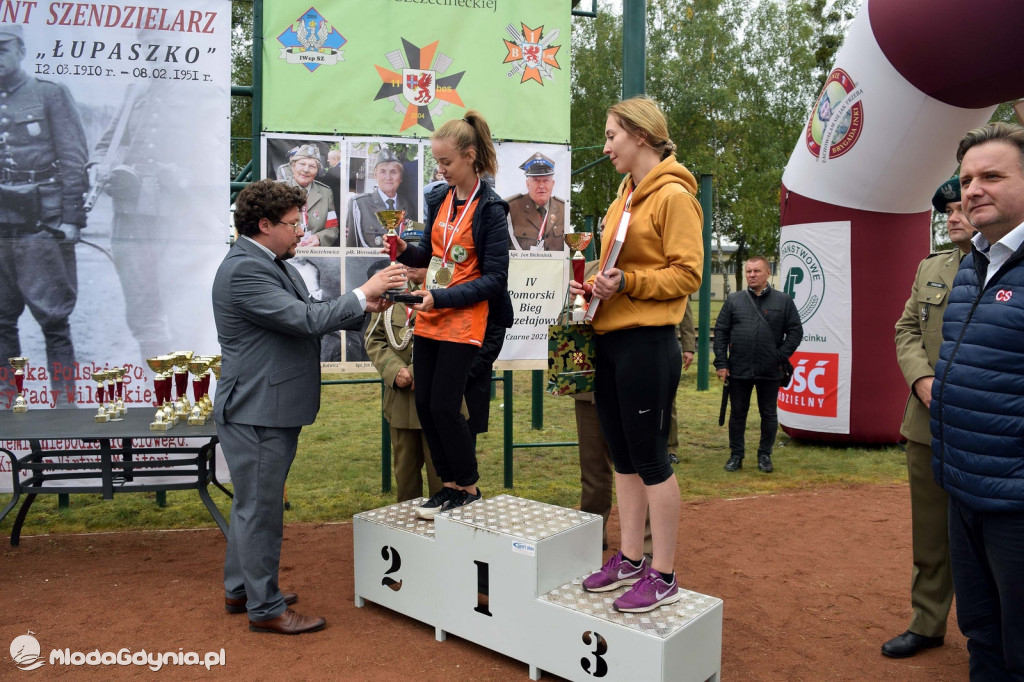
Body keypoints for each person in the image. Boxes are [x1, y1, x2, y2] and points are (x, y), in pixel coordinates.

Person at [213, 178, 404, 635]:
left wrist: (366, 306)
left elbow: (312, 311)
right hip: (257, 408)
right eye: (293, 224)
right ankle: (265, 607)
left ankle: (242, 588)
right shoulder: (246, 270)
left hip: (265, 405)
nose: (302, 231)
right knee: (261, 511)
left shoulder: (267, 262)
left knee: (252, 505)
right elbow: (304, 320)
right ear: (263, 225)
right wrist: (363, 290)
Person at [568, 96, 703, 613]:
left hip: (649, 342)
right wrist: (598, 288)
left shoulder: (674, 196)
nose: (606, 147)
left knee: (650, 458)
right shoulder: (624, 194)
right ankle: (628, 559)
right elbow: (619, 266)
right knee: (621, 457)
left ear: (641, 137)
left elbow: (688, 273)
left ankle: (663, 572)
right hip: (612, 338)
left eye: (611, 136)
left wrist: (628, 281)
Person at [931, 122, 1024, 678]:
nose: (973, 190)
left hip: (1016, 502)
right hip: (962, 487)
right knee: (982, 635)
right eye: (967, 179)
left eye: (992, 176)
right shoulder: (972, 265)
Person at [394, 110, 512, 520]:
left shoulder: (491, 209)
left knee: (445, 405)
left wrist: (442, 299)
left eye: (446, 162)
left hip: (464, 317)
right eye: (436, 162)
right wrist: (401, 248)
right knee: (425, 405)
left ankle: (469, 486)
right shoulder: (439, 199)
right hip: (431, 312)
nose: (440, 169)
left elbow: (495, 278)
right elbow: (429, 254)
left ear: (470, 157)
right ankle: (448, 486)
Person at [883, 177, 974, 659]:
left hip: (988, 425)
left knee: (994, 536)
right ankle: (927, 621)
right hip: (927, 420)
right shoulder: (932, 267)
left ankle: (994, 634)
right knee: (930, 531)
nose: (954, 216)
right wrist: (920, 381)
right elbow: (906, 328)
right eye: (948, 211)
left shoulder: (1007, 267)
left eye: (962, 207)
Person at [0, 25, 87, 406]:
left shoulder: (49, 94)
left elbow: (73, 160)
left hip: (44, 224)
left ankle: (65, 399)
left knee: (54, 319)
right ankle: (7, 400)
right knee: (1, 321)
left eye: (3, 48)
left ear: (20, 49)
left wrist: (71, 219)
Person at [713, 257, 802, 474]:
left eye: (757, 271)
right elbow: (721, 332)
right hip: (739, 368)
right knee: (738, 414)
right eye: (749, 271)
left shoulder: (784, 301)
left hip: (770, 370)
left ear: (767, 273)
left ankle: (765, 456)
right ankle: (736, 456)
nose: (752, 275)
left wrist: (780, 356)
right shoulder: (733, 300)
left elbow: (795, 331)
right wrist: (721, 363)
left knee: (769, 413)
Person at [363, 267, 443, 502]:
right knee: (405, 478)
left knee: (444, 475)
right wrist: (393, 369)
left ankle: (448, 531)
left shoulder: (445, 291)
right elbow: (373, 339)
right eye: (406, 260)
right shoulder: (390, 294)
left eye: (417, 259)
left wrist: (419, 371)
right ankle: (408, 533)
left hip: (437, 399)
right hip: (401, 401)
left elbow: (453, 338)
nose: (410, 267)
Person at [347, 148, 412, 248]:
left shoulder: (408, 206)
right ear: (375, 175)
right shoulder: (359, 204)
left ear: (401, 178)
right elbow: (351, 247)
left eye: (393, 172)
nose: (388, 177)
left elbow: (413, 244)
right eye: (383, 172)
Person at [506, 152, 567, 252]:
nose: (541, 186)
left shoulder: (564, 209)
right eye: (536, 180)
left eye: (546, 180)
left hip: (555, 267)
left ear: (553, 184)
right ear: (528, 184)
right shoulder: (511, 208)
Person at [283, 144, 337, 247]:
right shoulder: (278, 190)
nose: (306, 170)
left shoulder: (326, 192)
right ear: (293, 166)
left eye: (312, 166)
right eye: (302, 164)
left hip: (314, 254)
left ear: (317, 171)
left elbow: (333, 229)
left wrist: (319, 238)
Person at [667, 302, 696, 463]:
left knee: (668, 401)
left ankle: (670, 448)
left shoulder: (672, 277)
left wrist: (688, 347)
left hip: (665, 345)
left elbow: (684, 310)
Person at [323, 147, 343, 213]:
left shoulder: (332, 171)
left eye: (329, 159)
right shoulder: (345, 170)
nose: (327, 160)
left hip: (334, 202)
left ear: (335, 159)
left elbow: (323, 185)